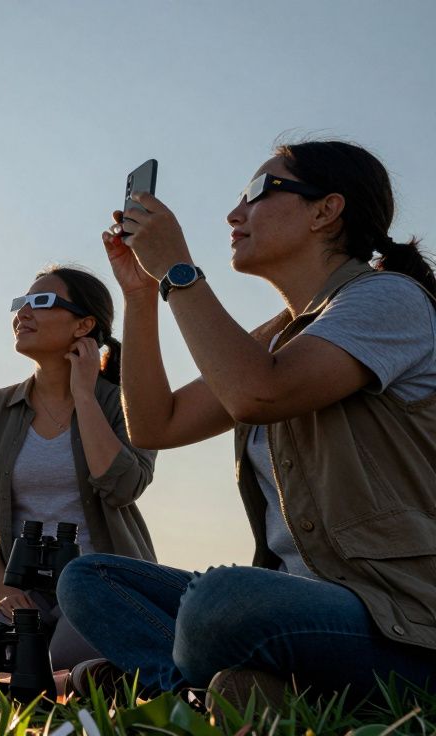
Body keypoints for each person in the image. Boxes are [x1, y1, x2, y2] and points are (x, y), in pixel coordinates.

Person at [57, 140, 436, 702]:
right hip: (299, 607)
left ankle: (184, 689)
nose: (234, 214)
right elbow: (155, 425)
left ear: (325, 209)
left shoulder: (388, 299)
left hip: (399, 617)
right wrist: (140, 293)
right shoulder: (278, 335)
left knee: (222, 601)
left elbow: (259, 393)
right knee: (89, 578)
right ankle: (212, 693)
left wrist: (178, 271)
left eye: (258, 193)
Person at [0, 266, 156, 671]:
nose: (23, 313)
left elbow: (123, 487)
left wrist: (84, 393)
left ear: (84, 324)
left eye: (41, 302)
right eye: (21, 303)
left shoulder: (123, 402)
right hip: (20, 587)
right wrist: (4, 590)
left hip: (100, 582)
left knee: (60, 661)